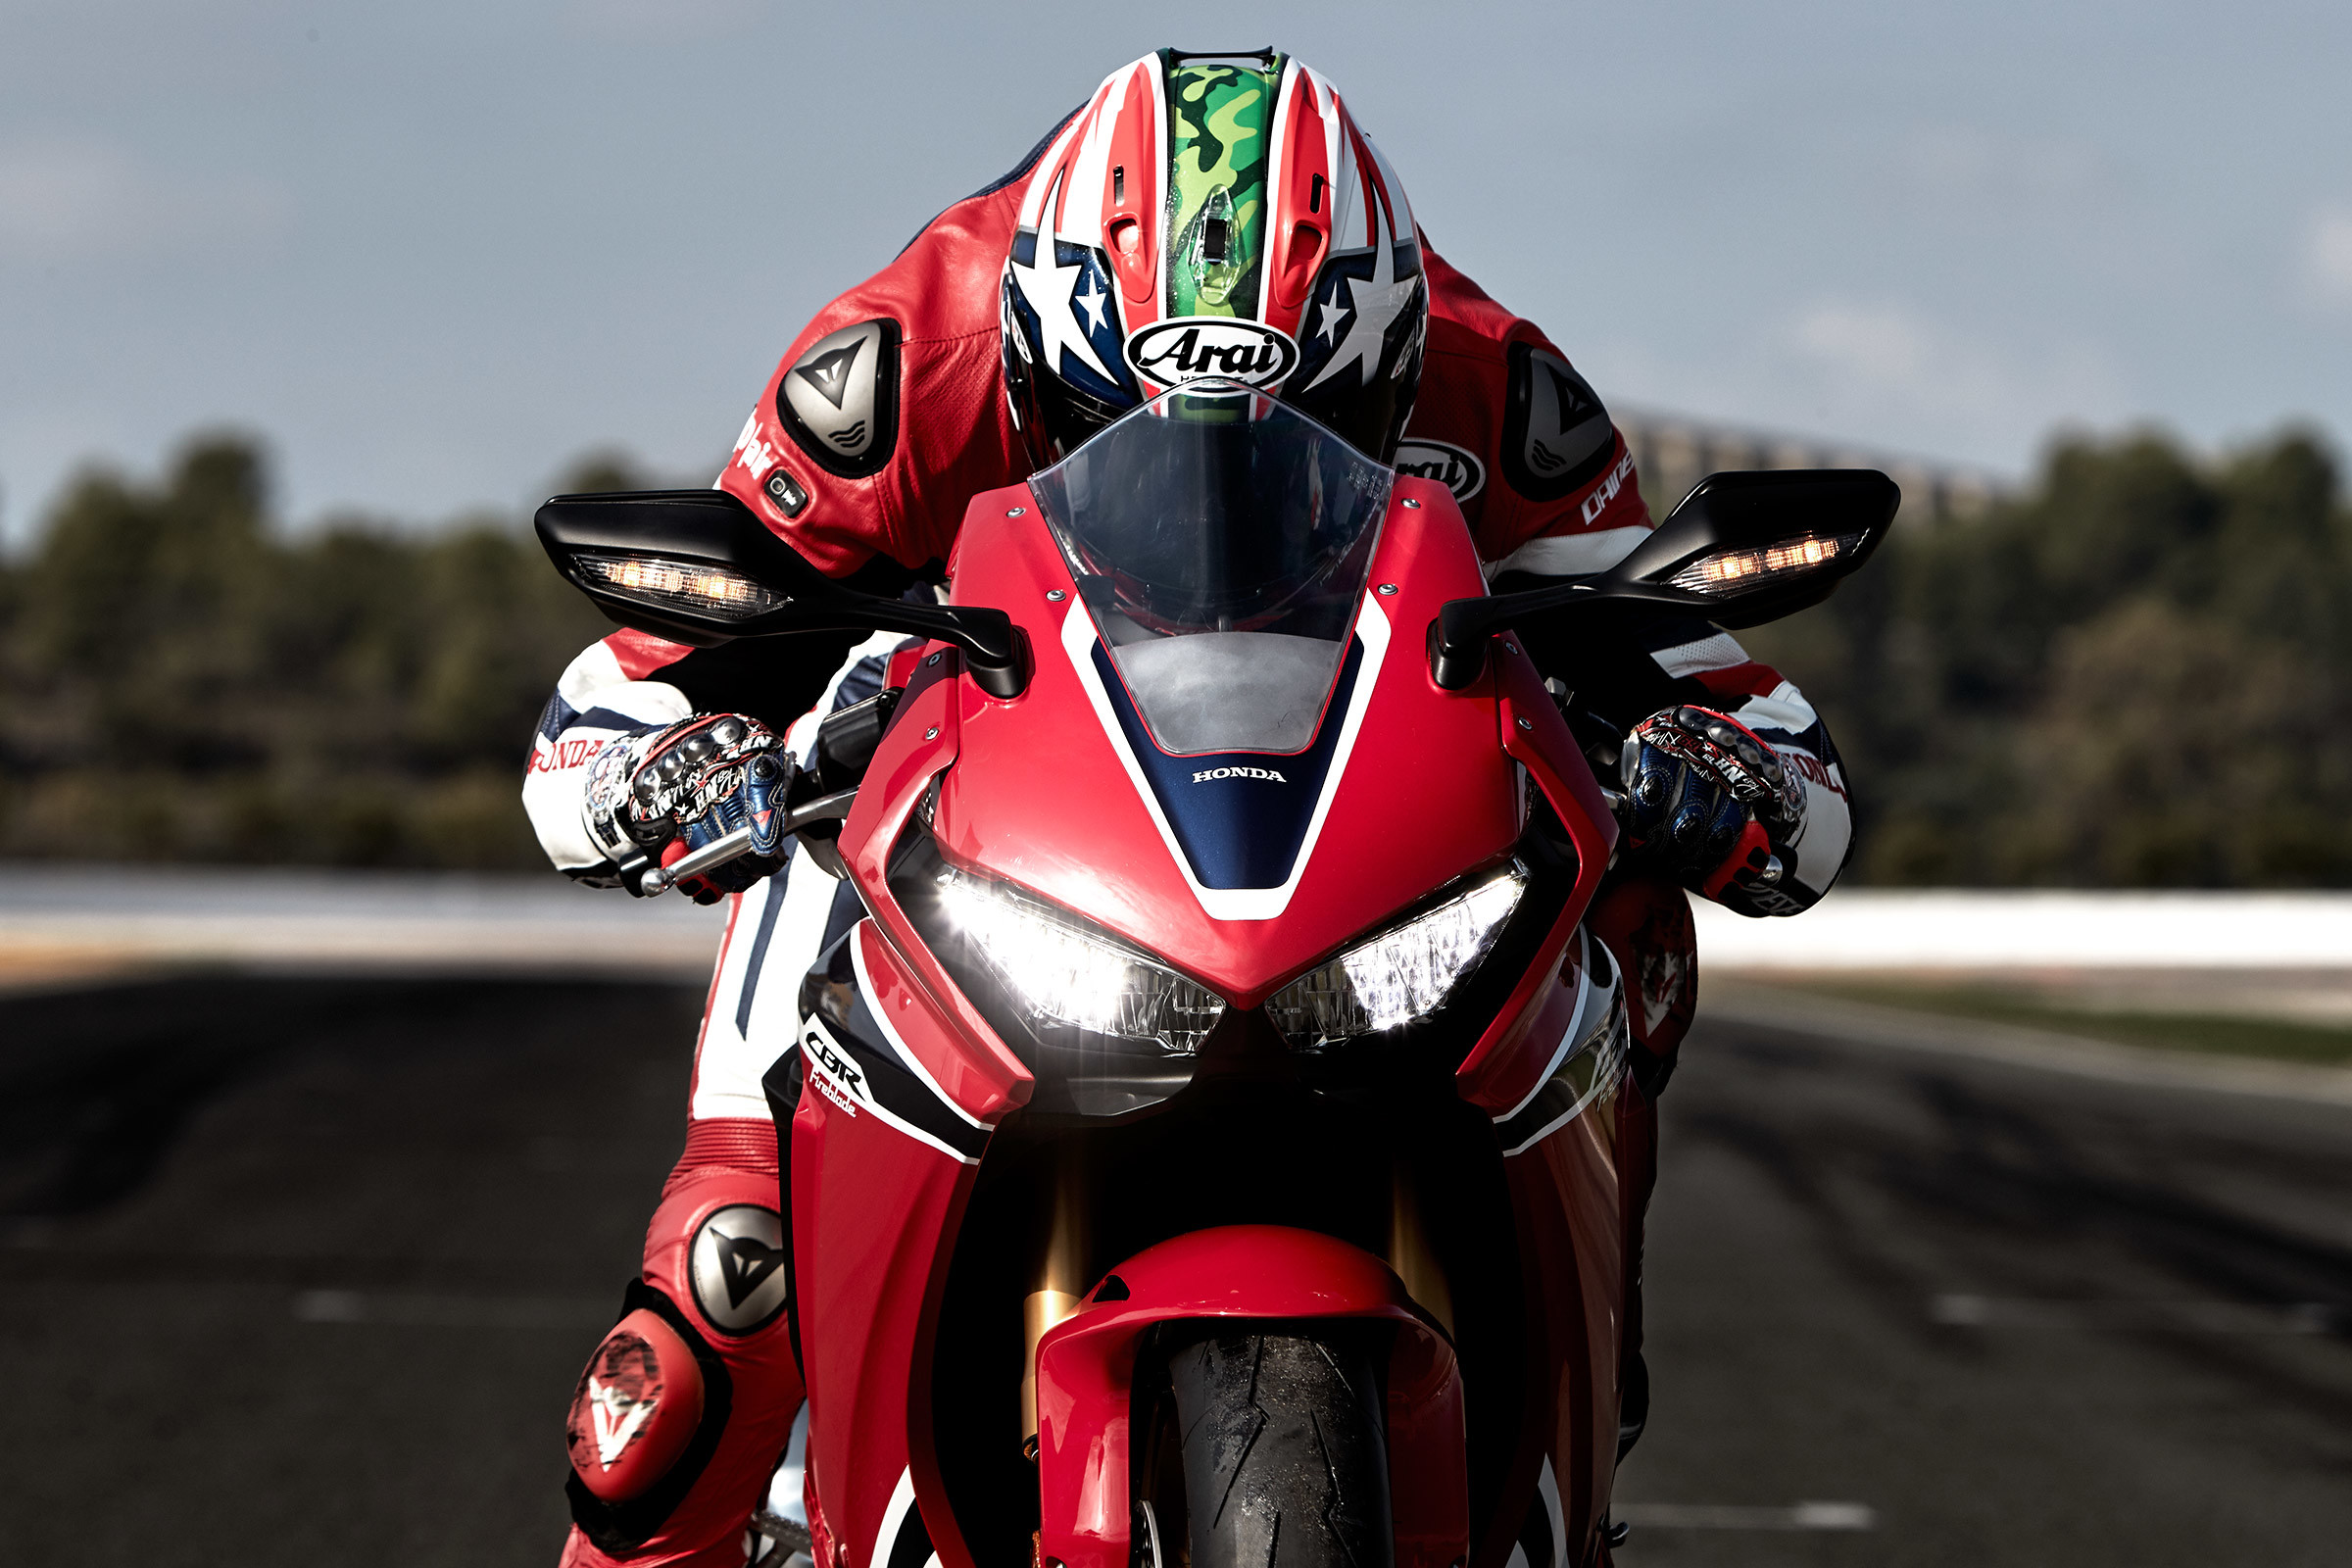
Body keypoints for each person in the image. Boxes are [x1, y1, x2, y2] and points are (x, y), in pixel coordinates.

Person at [521, 49, 1854, 1568]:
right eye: (1110, 425)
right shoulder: (899, 368)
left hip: (1353, 835)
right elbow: (623, 690)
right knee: (721, 1284)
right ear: (1038, 351)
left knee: (1631, 894)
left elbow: (1732, 701)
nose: (1205, 481)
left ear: (1393, 354)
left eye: (1316, 425)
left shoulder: (1499, 388)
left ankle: (1583, 1371)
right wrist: (663, 770)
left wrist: (1729, 771)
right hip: (968, 818)